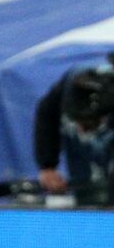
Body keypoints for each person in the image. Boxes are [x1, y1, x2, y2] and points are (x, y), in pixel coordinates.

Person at [34, 62, 114, 206]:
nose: (82, 131)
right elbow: (47, 115)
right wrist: (47, 165)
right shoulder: (67, 87)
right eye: (79, 122)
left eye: (89, 124)